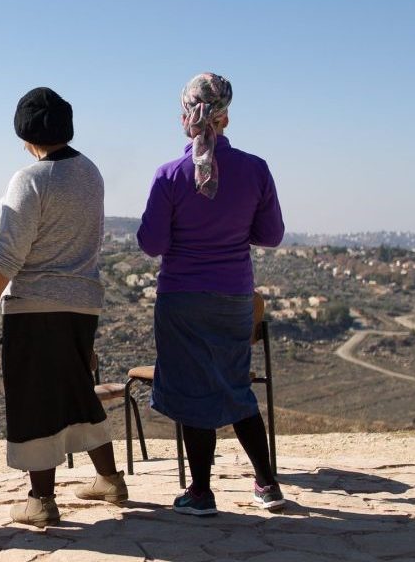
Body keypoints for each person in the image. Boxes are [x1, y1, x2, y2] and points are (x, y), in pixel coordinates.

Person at [0, 87, 126, 528]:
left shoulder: (30, 179)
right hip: (84, 304)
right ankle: (109, 479)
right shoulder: (91, 173)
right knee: (75, 392)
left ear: (24, 132)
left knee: (34, 399)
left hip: (35, 306)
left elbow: (7, 256)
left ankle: (41, 500)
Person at [137, 72, 286, 516]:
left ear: (186, 116)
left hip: (181, 298)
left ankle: (200, 493)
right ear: (225, 116)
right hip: (235, 297)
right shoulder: (255, 169)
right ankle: (267, 484)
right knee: (235, 387)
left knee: (190, 393)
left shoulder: (170, 175)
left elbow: (152, 244)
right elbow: (271, 235)